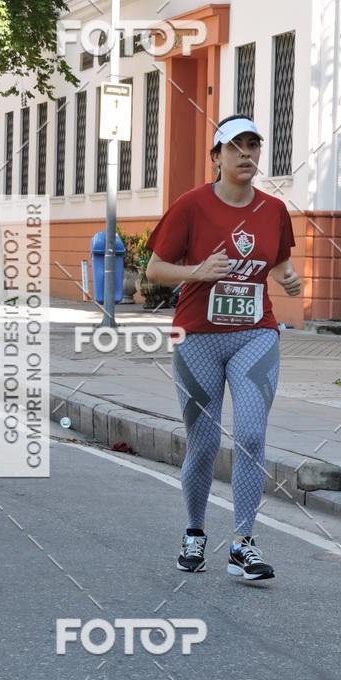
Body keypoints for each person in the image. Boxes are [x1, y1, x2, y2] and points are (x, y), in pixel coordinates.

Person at [145, 114, 300, 581]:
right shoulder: (191, 205)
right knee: (205, 441)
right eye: (236, 147)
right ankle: (195, 532)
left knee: (251, 436)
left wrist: (287, 278)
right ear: (216, 157)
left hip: (256, 333)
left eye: (253, 145)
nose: (247, 154)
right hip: (198, 338)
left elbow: (280, 263)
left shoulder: (274, 210)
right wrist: (198, 273)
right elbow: (153, 270)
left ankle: (243, 543)